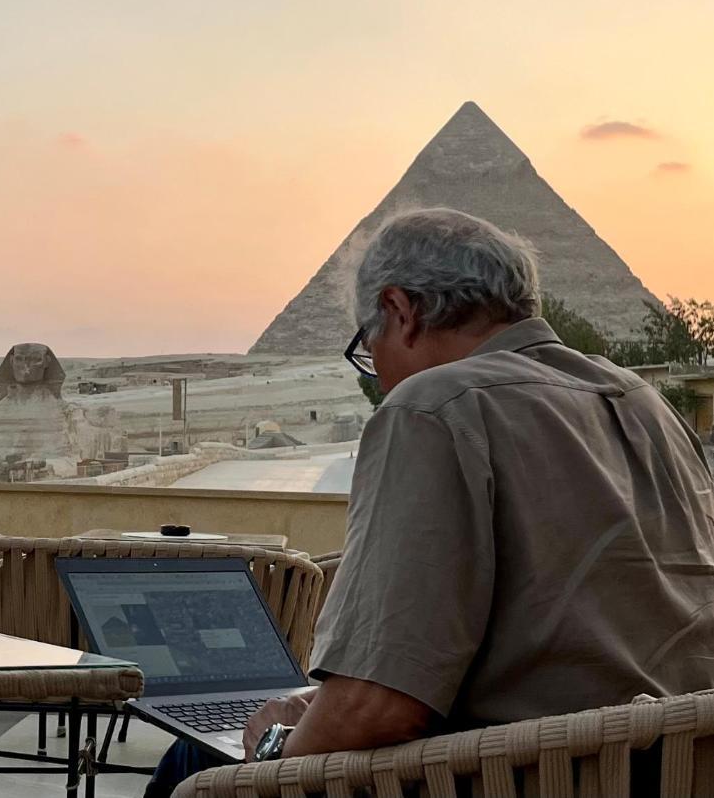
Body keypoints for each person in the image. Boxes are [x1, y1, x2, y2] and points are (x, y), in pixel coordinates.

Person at [145, 207, 714, 795]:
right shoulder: (647, 405)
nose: (380, 378)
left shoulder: (433, 407)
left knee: (193, 765)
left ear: (401, 311)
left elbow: (383, 707)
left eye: (370, 349)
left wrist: (275, 744)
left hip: (521, 774)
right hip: (671, 766)